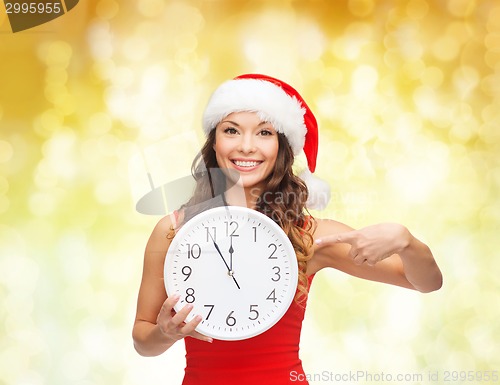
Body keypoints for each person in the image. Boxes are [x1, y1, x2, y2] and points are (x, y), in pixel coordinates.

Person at [132, 74, 443, 384]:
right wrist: (165, 332)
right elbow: (143, 340)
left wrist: (406, 241)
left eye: (264, 132)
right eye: (231, 131)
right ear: (215, 141)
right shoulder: (174, 230)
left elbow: (426, 282)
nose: (246, 146)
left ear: (283, 146)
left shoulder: (309, 236)